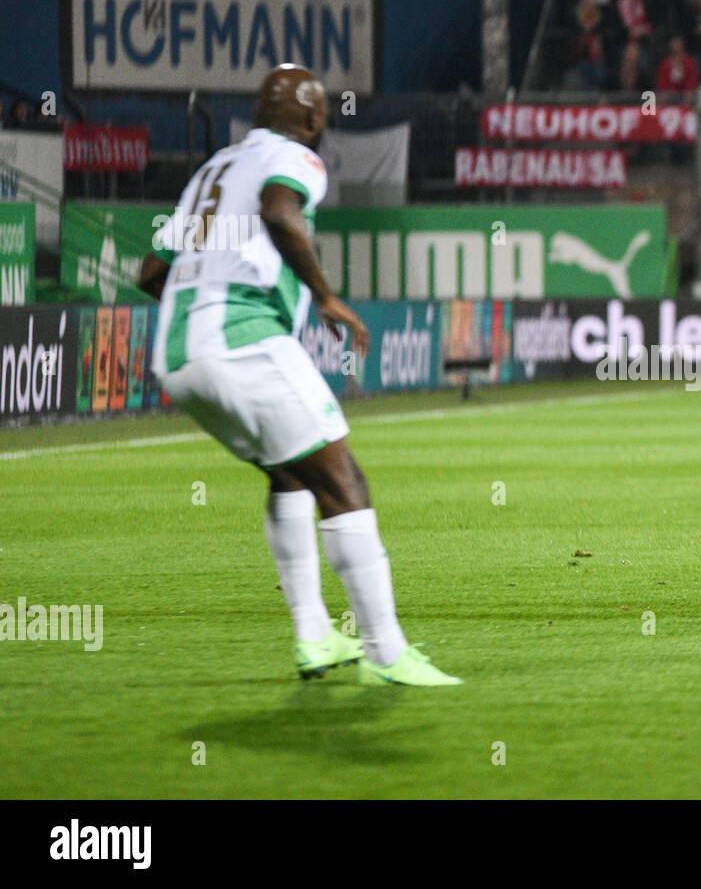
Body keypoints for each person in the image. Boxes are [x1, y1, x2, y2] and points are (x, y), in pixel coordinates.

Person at [136, 63, 461, 687]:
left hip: (178, 358)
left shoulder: (213, 169)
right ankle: (386, 651)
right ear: (313, 121)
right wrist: (327, 296)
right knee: (343, 479)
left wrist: (202, 307)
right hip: (244, 340)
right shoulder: (297, 159)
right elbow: (280, 212)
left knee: (289, 473)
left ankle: (314, 635)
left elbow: (151, 270)